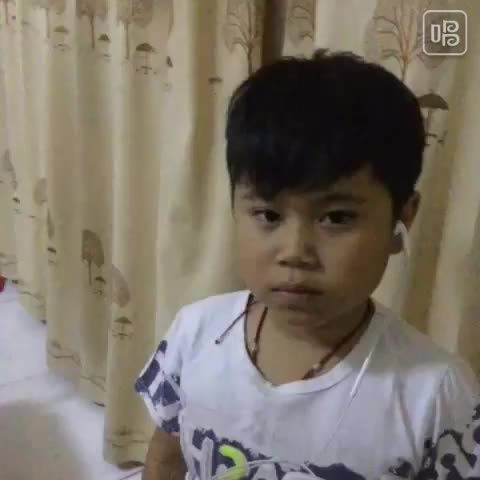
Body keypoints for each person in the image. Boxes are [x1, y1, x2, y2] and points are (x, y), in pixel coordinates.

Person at [135, 50, 480, 480]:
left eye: (337, 217)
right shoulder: (195, 332)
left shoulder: (436, 393)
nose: (295, 251)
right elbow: (166, 456)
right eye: (268, 214)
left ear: (402, 218)